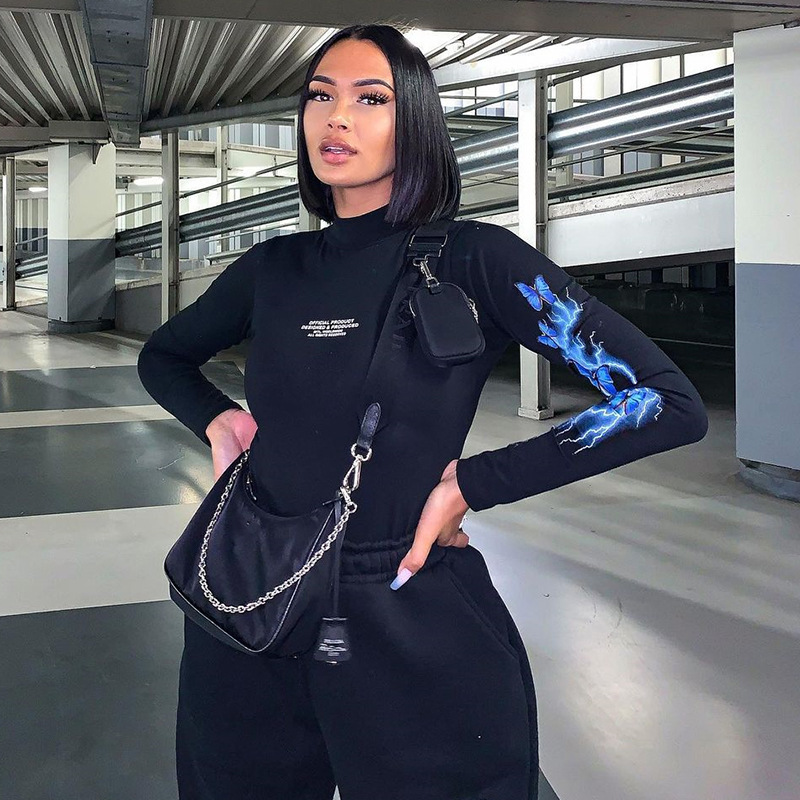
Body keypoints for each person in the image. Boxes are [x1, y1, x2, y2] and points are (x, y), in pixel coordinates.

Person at [137, 23, 708, 800]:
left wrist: (474, 483)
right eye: (320, 97)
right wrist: (219, 419)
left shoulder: (475, 259)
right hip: (248, 599)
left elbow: (661, 400)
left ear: (415, 122)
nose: (337, 118)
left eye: (371, 99)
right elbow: (164, 356)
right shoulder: (274, 268)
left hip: (401, 602)